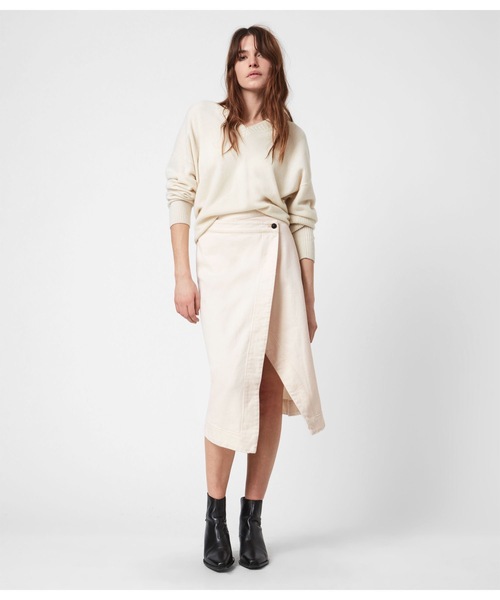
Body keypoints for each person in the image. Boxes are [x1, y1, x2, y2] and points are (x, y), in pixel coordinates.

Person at [165, 25, 325, 572]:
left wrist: (308, 297)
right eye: (241, 55)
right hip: (223, 258)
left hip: (277, 257)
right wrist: (183, 275)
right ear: (232, 68)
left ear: (274, 65)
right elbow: (179, 194)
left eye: (260, 55)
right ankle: (214, 516)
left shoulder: (291, 135)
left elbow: (303, 217)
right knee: (232, 381)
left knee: (270, 386)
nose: (251, 62)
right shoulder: (202, 119)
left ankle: (251, 518)